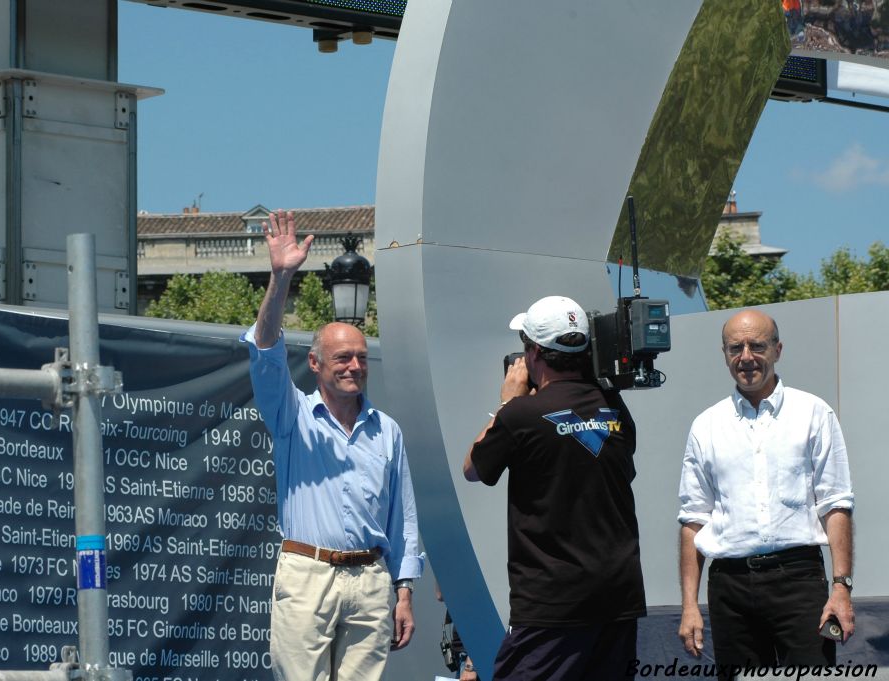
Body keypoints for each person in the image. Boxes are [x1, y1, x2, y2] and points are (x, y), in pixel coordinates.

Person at [240, 210, 424, 681]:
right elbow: (264, 352)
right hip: (308, 575)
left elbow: (402, 520)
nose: (354, 366)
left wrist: (403, 592)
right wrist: (281, 277)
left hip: (371, 581)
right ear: (316, 364)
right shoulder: (291, 415)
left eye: (362, 358)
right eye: (342, 357)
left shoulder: (387, 430)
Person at [463, 296, 645, 681]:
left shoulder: (520, 415)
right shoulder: (612, 404)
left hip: (552, 601)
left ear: (534, 353)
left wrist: (505, 403)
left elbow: (473, 468)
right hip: (618, 596)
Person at [677, 309, 855, 679]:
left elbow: (835, 504)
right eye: (735, 348)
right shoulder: (706, 425)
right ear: (724, 354)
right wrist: (689, 605)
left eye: (757, 345)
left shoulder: (813, 413)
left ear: (778, 349)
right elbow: (694, 519)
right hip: (730, 586)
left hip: (798, 580)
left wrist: (841, 587)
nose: (746, 357)